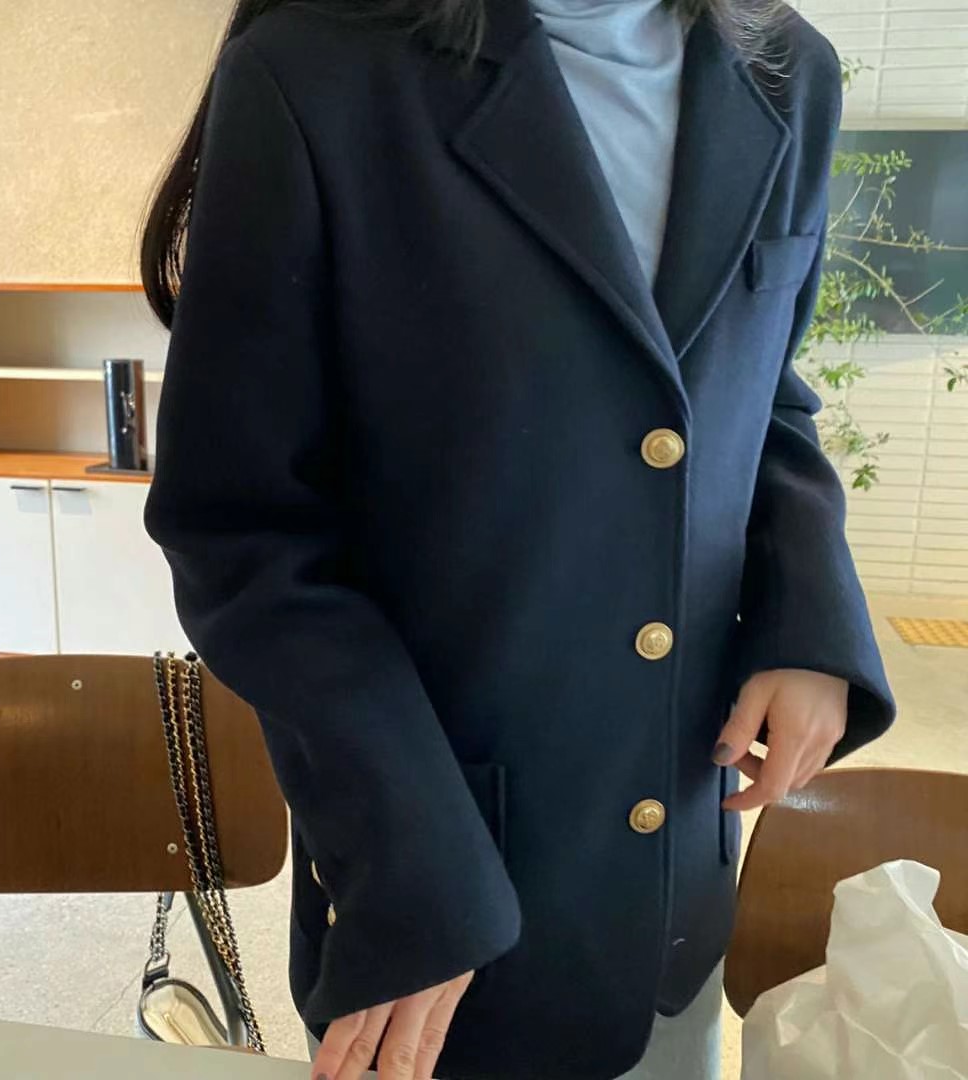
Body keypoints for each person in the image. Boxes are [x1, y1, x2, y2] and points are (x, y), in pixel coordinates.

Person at [140, 0, 896, 1076]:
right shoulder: (316, 74)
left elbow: (755, 391)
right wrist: (410, 858)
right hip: (435, 899)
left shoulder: (786, 69)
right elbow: (242, 527)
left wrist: (806, 616)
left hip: (667, 896)